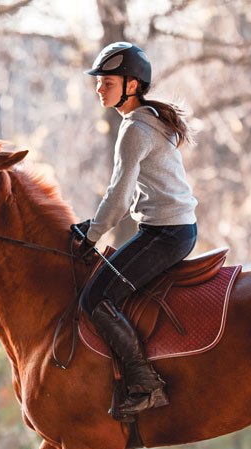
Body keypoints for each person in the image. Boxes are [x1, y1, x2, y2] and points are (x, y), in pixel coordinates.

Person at [72, 42, 198, 419]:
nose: (99, 89)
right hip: (167, 228)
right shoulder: (145, 120)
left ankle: (146, 384)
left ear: (131, 85)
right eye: (98, 82)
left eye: (107, 82)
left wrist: (92, 236)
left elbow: (119, 194)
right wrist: (91, 227)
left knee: (95, 300)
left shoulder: (135, 129)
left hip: (167, 234)